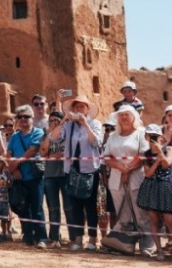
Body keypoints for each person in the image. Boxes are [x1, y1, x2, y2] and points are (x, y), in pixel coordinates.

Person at [102, 105, 154, 256]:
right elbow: (106, 157)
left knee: (141, 214)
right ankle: (123, 245)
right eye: (121, 114)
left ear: (133, 117)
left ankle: (146, 247)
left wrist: (128, 169)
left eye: (127, 114)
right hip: (116, 179)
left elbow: (143, 154)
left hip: (137, 177)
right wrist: (120, 167)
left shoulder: (140, 133)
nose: (124, 117)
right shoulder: (113, 136)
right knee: (122, 215)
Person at [59, 95, 103, 251]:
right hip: (71, 169)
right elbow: (55, 138)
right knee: (75, 206)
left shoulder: (95, 123)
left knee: (90, 206)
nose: (78, 110)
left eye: (82, 107)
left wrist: (85, 124)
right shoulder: (69, 125)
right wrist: (63, 120)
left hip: (90, 170)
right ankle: (77, 238)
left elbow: (96, 142)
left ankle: (92, 238)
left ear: (87, 109)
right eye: (76, 107)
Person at [136, 124, 172, 263]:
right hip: (152, 186)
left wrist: (159, 154)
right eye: (150, 136)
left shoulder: (168, 148)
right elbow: (148, 173)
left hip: (165, 187)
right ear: (146, 137)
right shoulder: (145, 154)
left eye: (155, 136)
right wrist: (157, 161)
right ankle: (159, 250)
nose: (152, 139)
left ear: (160, 137)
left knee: (170, 220)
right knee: (153, 219)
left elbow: (167, 164)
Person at [7, 104, 47, 248]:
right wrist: (13, 170)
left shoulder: (38, 133)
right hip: (19, 178)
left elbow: (32, 151)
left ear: (32, 118)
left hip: (34, 177)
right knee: (23, 207)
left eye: (26, 116)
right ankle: (28, 236)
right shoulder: (15, 136)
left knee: (37, 208)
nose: (23, 119)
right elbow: (9, 154)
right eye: (20, 117)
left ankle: (41, 237)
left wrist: (15, 164)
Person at [39, 110, 67, 248]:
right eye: (51, 120)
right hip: (50, 174)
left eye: (57, 120)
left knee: (69, 208)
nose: (53, 122)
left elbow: (70, 151)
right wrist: (49, 134)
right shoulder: (46, 134)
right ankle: (54, 238)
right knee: (53, 207)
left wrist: (59, 154)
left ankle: (74, 238)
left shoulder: (67, 133)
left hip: (65, 174)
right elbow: (43, 152)